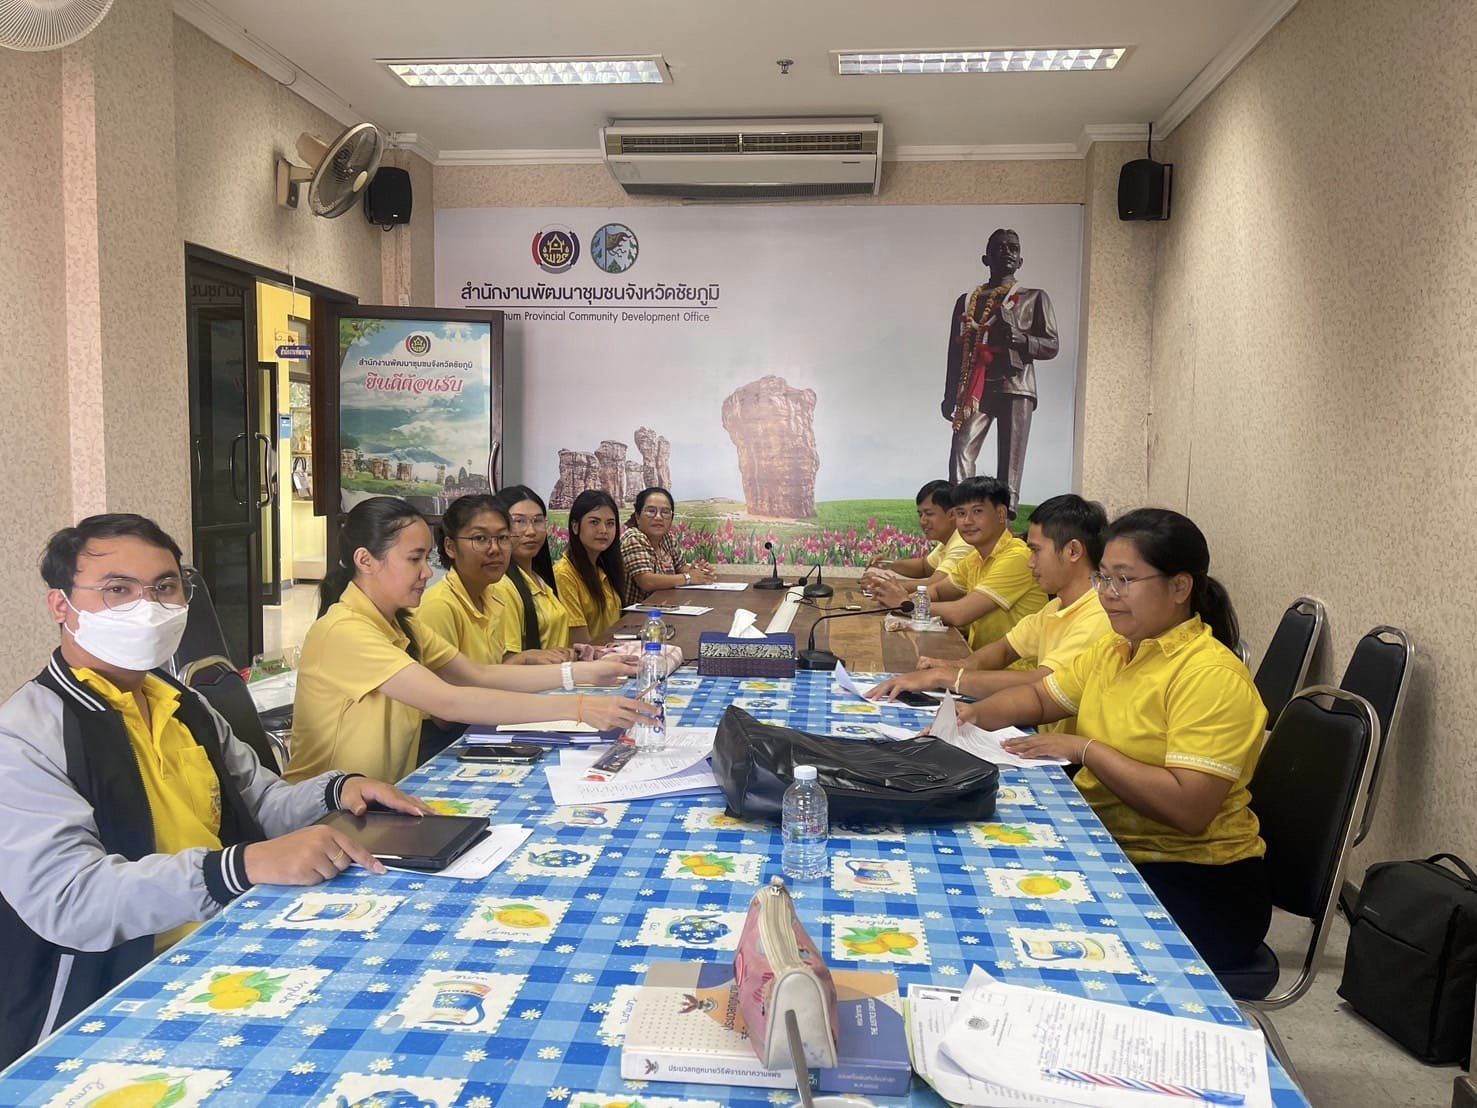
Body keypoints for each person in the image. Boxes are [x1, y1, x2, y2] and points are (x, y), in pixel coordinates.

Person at [0, 513, 429, 1066]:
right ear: (61, 605)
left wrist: (339, 791)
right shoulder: (28, 731)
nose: (147, 606)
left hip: (231, 940)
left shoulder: (186, 705)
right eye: (117, 590)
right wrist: (239, 868)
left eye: (164, 587)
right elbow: (70, 900)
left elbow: (261, 804)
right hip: (110, 991)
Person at [959, 508, 1270, 970]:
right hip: (1115, 845)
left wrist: (1088, 751)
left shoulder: (1209, 675)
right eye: (1103, 579)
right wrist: (962, 721)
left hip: (1198, 883)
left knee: (1013, 918)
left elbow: (1190, 809)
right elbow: (1041, 700)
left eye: (1124, 581)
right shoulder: (1117, 647)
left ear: (1180, 587)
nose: (1107, 595)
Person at [289, 497, 653, 784]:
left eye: (425, 558)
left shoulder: (403, 624)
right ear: (365, 561)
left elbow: (479, 675)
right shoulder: (345, 631)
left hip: (390, 794)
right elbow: (449, 700)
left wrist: (584, 673)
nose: (427, 572)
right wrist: (577, 708)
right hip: (329, 812)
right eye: (414, 559)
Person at [415, 494, 633, 762]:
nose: (495, 549)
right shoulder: (439, 605)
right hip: (449, 741)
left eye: (503, 538)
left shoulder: (491, 598)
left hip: (488, 720)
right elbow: (446, 711)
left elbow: (488, 675)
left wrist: (576, 673)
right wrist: (573, 693)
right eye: (480, 539)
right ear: (450, 546)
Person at [869, 494, 1110, 732]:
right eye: (961, 513)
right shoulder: (1055, 606)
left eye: (1036, 551)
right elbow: (1005, 649)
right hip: (1027, 717)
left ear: (1074, 551)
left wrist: (947, 676)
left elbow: (1042, 684)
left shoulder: (1097, 615)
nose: (1031, 563)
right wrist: (958, 666)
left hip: (1058, 745)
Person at [943, 228, 1059, 508]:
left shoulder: (1035, 298)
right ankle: (963, 515)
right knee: (961, 449)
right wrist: (950, 395)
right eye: (999, 247)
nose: (1007, 252)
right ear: (986, 258)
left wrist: (1022, 339)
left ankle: (1005, 523)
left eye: (1013, 248)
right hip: (976, 390)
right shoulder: (968, 301)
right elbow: (955, 352)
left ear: (1020, 261)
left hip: (1016, 386)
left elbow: (1052, 344)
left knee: (1009, 466)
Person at [870, 476, 1046, 649]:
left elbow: (960, 613)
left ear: (1001, 514)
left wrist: (906, 604)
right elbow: (938, 591)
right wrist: (899, 597)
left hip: (1015, 672)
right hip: (981, 659)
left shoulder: (1016, 557)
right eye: (961, 513)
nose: (967, 521)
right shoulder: (975, 557)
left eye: (977, 511)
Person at [493, 485, 573, 659]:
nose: (531, 531)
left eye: (537, 521)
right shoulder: (502, 586)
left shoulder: (539, 579)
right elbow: (509, 662)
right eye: (519, 521)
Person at [861, 480, 970, 590]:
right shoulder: (948, 541)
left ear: (952, 514)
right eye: (920, 514)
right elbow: (924, 567)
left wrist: (882, 584)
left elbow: (935, 585)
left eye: (929, 514)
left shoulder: (963, 543)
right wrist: (886, 563)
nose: (922, 521)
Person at [620, 486, 716, 605]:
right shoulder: (633, 537)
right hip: (636, 617)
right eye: (651, 511)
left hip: (665, 607)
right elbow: (646, 581)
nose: (658, 517)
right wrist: (689, 578)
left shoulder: (667, 538)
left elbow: (681, 568)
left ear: (671, 518)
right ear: (638, 517)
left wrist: (700, 572)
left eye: (665, 512)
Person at [554, 489, 627, 643]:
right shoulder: (564, 574)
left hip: (612, 655)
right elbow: (581, 645)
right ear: (575, 526)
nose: (603, 530)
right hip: (587, 663)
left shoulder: (604, 567)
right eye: (594, 522)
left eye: (610, 523)